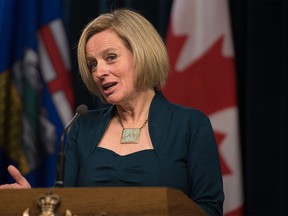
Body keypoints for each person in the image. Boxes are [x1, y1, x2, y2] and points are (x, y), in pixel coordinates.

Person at [0, 8, 224, 215]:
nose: (99, 72)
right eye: (92, 64)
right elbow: (64, 204)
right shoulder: (82, 128)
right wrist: (32, 202)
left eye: (110, 57)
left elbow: (209, 208)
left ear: (141, 54)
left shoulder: (190, 125)